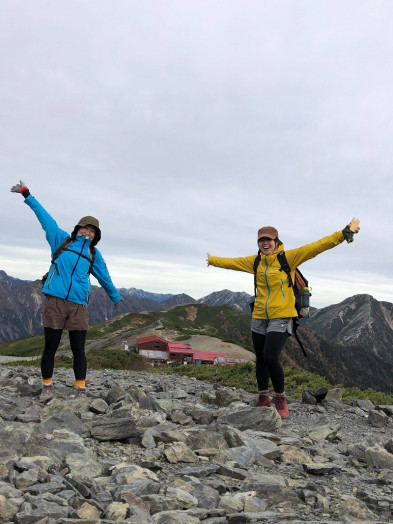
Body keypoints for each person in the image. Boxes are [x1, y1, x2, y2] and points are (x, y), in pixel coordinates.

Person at [207, 219, 360, 418]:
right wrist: (213, 260)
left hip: (282, 315)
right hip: (259, 315)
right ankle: (263, 396)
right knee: (261, 357)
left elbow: (317, 247)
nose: (265, 243)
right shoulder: (255, 262)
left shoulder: (289, 258)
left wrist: (343, 233)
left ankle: (280, 397)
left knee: (271, 356)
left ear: (277, 241)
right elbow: (233, 263)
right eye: (261, 240)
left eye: (269, 240)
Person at [11, 180, 123, 401]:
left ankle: (80, 390)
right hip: (55, 302)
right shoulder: (61, 240)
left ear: (96, 236)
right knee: (50, 348)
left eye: (92, 231)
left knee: (78, 350)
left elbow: (104, 276)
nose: (88, 233)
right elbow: (45, 218)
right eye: (85, 228)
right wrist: (27, 194)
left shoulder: (94, 255)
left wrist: (115, 296)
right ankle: (47, 387)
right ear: (77, 229)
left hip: (79, 306)